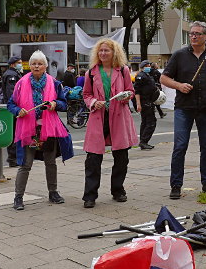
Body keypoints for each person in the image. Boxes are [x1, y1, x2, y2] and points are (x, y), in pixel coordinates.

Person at [161, 21, 206, 199]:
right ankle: (176, 185)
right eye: (191, 33)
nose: (193, 36)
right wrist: (179, 85)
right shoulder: (179, 55)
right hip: (184, 107)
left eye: (197, 33)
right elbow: (164, 78)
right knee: (180, 146)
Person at [8, 50, 72, 210]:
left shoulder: (55, 83)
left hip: (48, 129)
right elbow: (10, 104)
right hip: (27, 129)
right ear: (29, 66)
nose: (36, 66)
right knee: (25, 164)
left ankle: (53, 192)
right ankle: (18, 197)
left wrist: (55, 104)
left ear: (45, 66)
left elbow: (64, 104)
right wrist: (18, 111)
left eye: (40, 63)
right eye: (34, 63)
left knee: (50, 162)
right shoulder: (21, 83)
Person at [82, 39, 137, 208]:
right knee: (93, 158)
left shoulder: (123, 70)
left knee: (121, 157)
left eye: (107, 51)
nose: (103, 53)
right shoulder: (91, 72)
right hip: (98, 117)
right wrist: (93, 102)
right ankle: (90, 196)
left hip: (119, 117)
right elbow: (86, 94)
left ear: (114, 53)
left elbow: (131, 91)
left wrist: (125, 96)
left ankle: (118, 190)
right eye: (101, 51)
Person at [0, 56, 23, 167]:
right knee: (14, 132)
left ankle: (15, 157)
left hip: (14, 107)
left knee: (15, 132)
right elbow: (12, 93)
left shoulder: (13, 73)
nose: (21, 64)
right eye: (19, 63)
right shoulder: (11, 75)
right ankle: (13, 158)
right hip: (13, 108)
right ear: (13, 64)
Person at [134, 60, 158, 150]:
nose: (149, 67)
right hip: (145, 102)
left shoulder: (148, 75)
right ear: (143, 66)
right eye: (147, 65)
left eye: (149, 65)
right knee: (151, 122)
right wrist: (138, 104)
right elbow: (137, 91)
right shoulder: (140, 76)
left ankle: (143, 141)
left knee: (145, 122)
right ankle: (144, 141)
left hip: (149, 101)